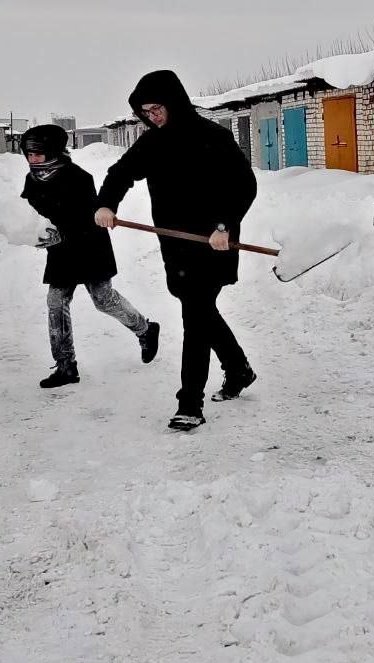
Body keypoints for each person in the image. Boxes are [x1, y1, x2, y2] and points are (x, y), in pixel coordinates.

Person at [94, 70, 257, 431]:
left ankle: (190, 403)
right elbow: (120, 173)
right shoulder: (152, 143)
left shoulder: (213, 137)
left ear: (174, 102)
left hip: (213, 243)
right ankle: (238, 368)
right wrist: (106, 204)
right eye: (145, 112)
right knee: (200, 311)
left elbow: (244, 185)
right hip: (176, 247)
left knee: (195, 318)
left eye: (157, 109)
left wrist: (224, 225)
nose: (152, 117)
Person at [19, 124, 159, 388]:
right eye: (29, 154)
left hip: (89, 246)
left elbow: (85, 219)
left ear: (53, 152)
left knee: (103, 300)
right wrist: (31, 232)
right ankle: (65, 366)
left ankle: (145, 329)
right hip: (60, 252)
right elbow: (30, 214)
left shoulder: (78, 177)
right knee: (56, 302)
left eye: (38, 153)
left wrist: (59, 233)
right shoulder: (32, 179)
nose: (33, 159)